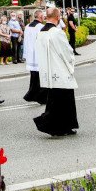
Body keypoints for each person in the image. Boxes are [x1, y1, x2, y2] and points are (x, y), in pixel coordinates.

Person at [34, 8, 79, 136]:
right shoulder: (57, 32)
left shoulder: (41, 32)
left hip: (48, 71)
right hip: (60, 71)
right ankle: (60, 126)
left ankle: (60, 127)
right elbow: (66, 51)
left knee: (54, 101)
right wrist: (71, 63)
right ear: (58, 16)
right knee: (65, 100)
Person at [22, 9, 48, 104]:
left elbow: (25, 41)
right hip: (38, 55)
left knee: (34, 77)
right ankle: (40, 97)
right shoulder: (41, 27)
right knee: (41, 77)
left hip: (30, 55)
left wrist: (25, 54)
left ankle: (31, 95)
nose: (44, 17)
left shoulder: (28, 26)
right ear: (40, 17)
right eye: (43, 16)